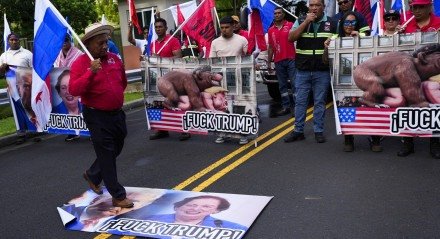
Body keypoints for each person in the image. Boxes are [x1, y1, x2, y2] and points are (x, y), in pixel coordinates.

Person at [69, 22, 133, 208]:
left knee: (117, 146)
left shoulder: (114, 58)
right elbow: (74, 90)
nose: (105, 46)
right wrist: (91, 72)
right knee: (106, 153)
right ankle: (118, 195)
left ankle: (93, 174)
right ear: (88, 44)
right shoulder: (80, 64)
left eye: (106, 42)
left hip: (116, 114)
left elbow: (123, 82)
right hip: (96, 116)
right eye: (100, 43)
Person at [285, 0, 337, 144]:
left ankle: (318, 131)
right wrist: (305, 22)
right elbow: (291, 38)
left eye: (317, 5)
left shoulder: (332, 23)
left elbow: (339, 43)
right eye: (312, 5)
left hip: (322, 70)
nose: (314, 8)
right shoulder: (301, 20)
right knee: (300, 102)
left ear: (323, 7)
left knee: (319, 102)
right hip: (303, 70)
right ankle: (298, 131)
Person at [394, 0, 440, 159]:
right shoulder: (406, 24)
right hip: (411, 73)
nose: (417, 10)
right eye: (414, 7)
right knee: (407, 104)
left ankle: (435, 142)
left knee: (434, 105)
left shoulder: (438, 23)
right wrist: (398, 37)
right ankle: (407, 142)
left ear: (429, 7)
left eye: (421, 6)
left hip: (433, 72)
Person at [147, 18, 189, 141]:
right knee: (159, 103)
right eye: (156, 27)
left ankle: (184, 130)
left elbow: (178, 57)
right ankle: (162, 130)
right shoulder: (153, 43)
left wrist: (159, 59)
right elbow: (150, 60)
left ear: (165, 28)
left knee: (176, 102)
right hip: (158, 78)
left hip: (172, 78)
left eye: (160, 27)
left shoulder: (172, 41)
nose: (158, 29)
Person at [209, 16, 249, 145]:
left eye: (227, 27)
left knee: (238, 106)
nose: (224, 30)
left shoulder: (242, 40)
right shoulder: (215, 42)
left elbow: (248, 58)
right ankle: (223, 133)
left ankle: (242, 134)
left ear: (233, 27)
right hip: (221, 81)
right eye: (222, 28)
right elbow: (211, 62)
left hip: (238, 80)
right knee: (222, 107)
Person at [0, 33, 35, 144]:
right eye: (11, 40)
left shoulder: (27, 54)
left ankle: (34, 129)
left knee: (28, 107)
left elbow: (34, 70)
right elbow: (1, 73)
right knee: (17, 110)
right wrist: (2, 68)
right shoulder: (3, 56)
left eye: (16, 39)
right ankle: (21, 133)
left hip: (26, 88)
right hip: (12, 89)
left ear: (19, 40)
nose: (14, 41)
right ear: (8, 41)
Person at [145, 195, 247, 231]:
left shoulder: (234, 228)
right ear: (177, 206)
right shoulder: (148, 219)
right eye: (191, 205)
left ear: (216, 211)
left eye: (206, 206)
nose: (195, 208)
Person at [267, 7, 296, 117]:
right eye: (275, 13)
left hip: (291, 59)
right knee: (282, 86)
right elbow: (270, 47)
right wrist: (269, 63)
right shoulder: (271, 30)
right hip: (278, 61)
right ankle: (286, 107)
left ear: (283, 15)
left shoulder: (290, 25)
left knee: (294, 84)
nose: (277, 15)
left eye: (279, 13)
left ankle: (297, 107)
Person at [54, 34, 83, 141]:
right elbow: (56, 72)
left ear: (70, 40)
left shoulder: (79, 54)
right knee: (69, 109)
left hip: (77, 85)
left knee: (82, 107)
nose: (64, 42)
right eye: (62, 40)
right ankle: (74, 132)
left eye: (66, 40)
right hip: (65, 87)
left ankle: (90, 131)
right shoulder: (57, 56)